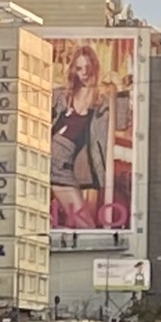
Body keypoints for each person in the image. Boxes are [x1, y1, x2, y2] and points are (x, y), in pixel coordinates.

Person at [50, 42, 114, 229]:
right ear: (74, 71)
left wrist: (119, 88)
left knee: (87, 228)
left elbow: (123, 119)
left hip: (63, 168)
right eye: (79, 68)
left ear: (95, 66)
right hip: (45, 161)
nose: (84, 73)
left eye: (87, 67)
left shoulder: (103, 101)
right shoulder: (61, 95)